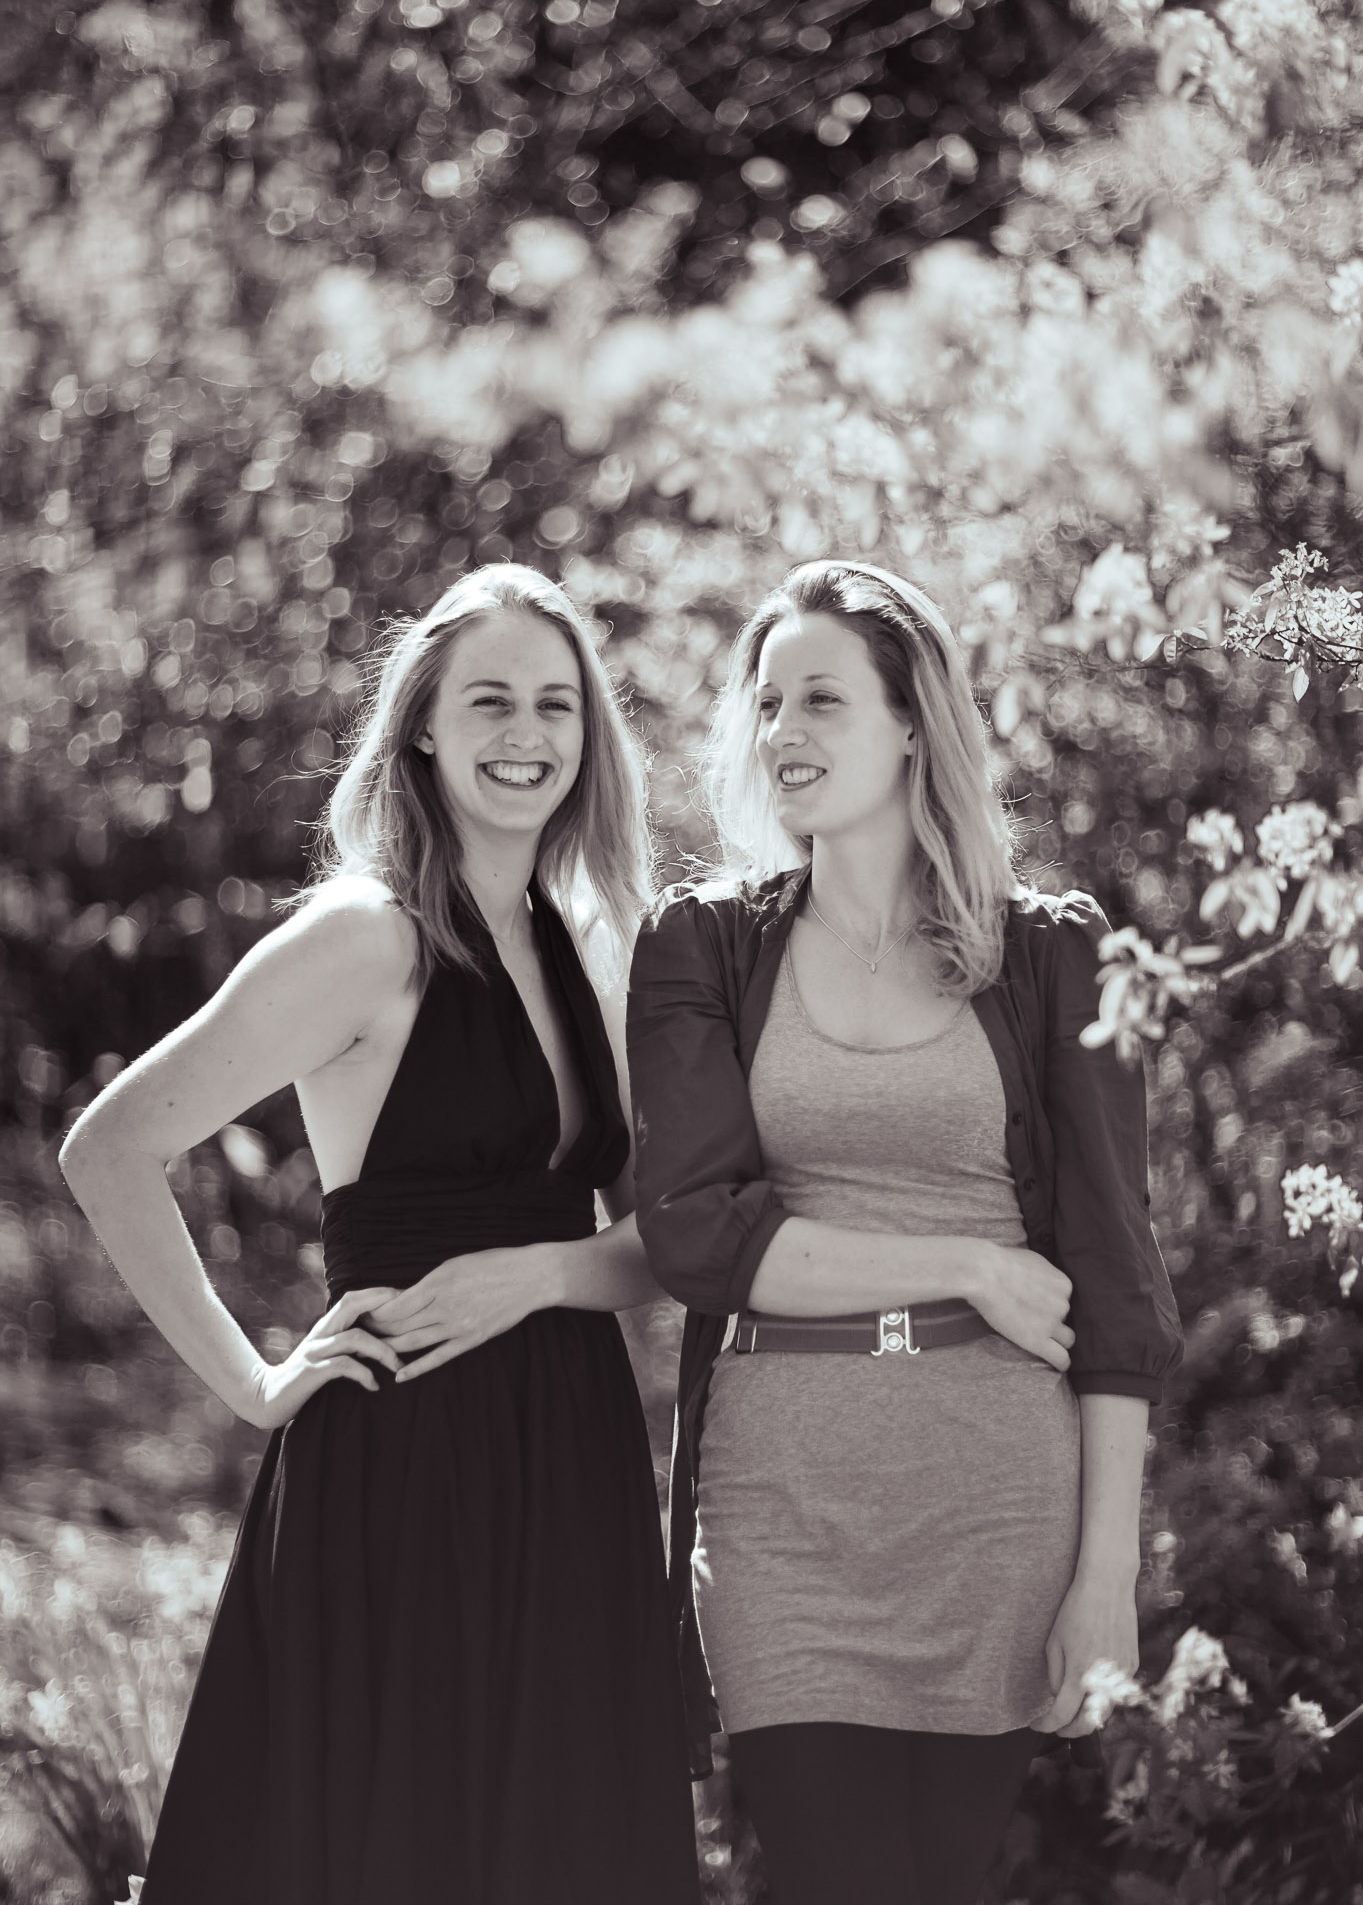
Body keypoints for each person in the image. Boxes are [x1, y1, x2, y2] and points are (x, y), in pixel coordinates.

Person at [61, 563, 701, 1905]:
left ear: (591, 736)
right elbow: (111, 1150)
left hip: (571, 1464)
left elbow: (666, 1242)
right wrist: (255, 1386)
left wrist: (539, 1275)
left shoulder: (593, 942)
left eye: (554, 706)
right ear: (419, 726)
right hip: (403, 1469)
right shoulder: (364, 936)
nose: (525, 736)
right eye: (488, 703)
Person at [626, 560, 1184, 1905]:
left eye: (819, 698)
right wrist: (964, 1265)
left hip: (995, 1506)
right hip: (779, 1511)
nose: (781, 734)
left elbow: (1112, 1285)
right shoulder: (704, 946)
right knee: (831, 1875)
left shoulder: (1050, 954)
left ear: (911, 723)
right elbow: (694, 1234)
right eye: (766, 704)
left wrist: (1103, 1575)